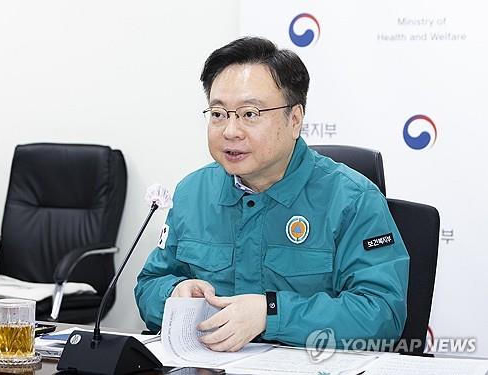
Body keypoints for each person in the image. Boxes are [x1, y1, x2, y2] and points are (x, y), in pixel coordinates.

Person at [135, 37, 409, 352]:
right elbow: (149, 285)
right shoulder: (192, 193)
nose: (231, 131)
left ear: (295, 119)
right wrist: (175, 293)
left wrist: (271, 312)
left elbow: (381, 314)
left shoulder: (353, 200)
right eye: (218, 114)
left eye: (249, 114)